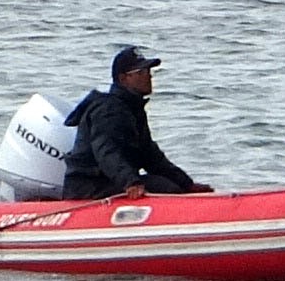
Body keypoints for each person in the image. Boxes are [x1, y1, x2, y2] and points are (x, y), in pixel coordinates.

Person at [61, 46, 214, 200]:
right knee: (162, 187)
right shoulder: (108, 110)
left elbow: (151, 157)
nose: (149, 76)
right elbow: (107, 151)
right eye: (141, 73)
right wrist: (130, 183)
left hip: (109, 181)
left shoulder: (133, 109)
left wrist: (186, 184)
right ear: (123, 79)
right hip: (88, 186)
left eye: (148, 71)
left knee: (168, 185)